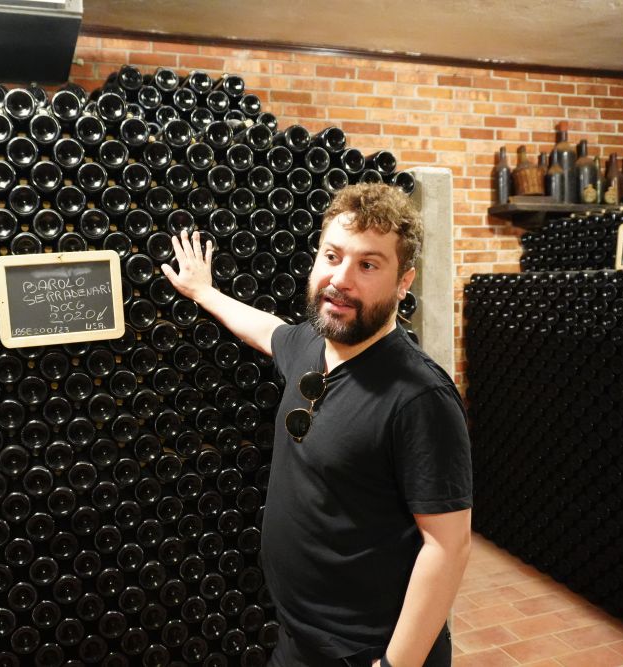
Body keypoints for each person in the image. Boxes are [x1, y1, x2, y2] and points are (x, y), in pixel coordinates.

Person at [162, 182, 472, 667]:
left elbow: (447, 546)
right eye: (333, 256)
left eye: (368, 265)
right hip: (299, 638)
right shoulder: (311, 344)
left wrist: (397, 664)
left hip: (364, 650)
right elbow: (268, 330)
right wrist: (204, 292)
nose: (341, 279)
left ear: (403, 282)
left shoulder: (419, 397)